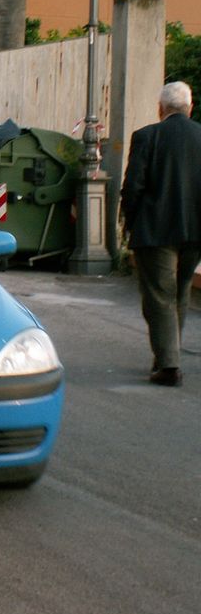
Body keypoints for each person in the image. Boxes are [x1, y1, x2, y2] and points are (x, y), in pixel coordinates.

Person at [120, 81, 201, 387]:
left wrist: (129, 223)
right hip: (195, 230)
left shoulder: (147, 136)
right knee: (180, 291)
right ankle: (168, 355)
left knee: (159, 296)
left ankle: (168, 365)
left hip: (155, 229)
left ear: (160, 109)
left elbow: (133, 186)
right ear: (190, 108)